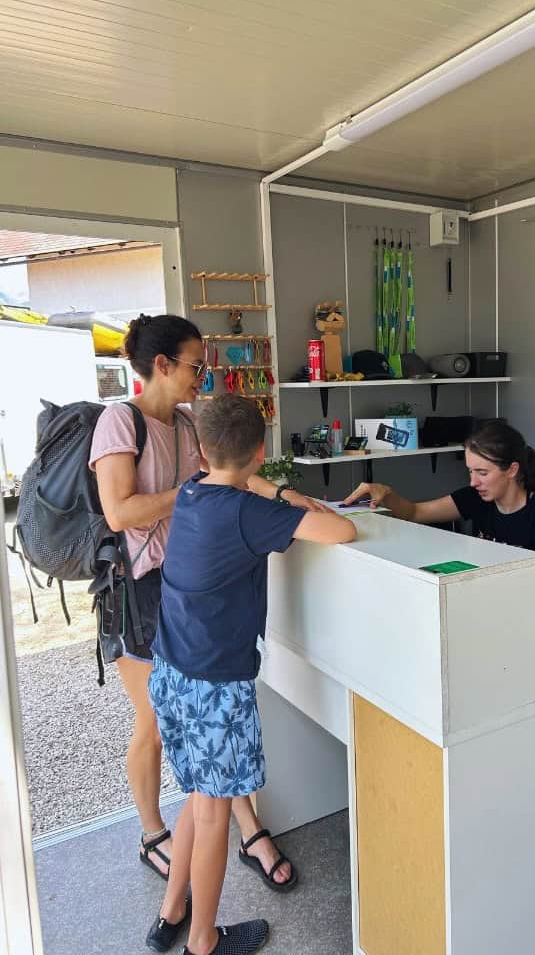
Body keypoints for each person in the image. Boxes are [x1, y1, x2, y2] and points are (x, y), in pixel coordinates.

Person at [90, 313, 325, 890]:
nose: (205, 375)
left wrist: (282, 493)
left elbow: (232, 476)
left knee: (203, 724)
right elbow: (121, 512)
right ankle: (152, 833)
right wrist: (197, 495)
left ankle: (244, 826)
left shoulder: (190, 422)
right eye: (197, 365)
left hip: (182, 584)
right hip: (136, 590)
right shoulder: (119, 422)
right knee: (155, 722)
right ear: (162, 365)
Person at [145, 394, 356, 955]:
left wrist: (256, 484)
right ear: (261, 451)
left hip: (170, 669)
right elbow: (340, 531)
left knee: (197, 796)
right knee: (214, 813)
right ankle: (203, 941)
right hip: (215, 685)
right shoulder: (249, 512)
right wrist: (280, 489)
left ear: (201, 449)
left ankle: (171, 913)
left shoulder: (191, 493)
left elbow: (234, 485)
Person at [343, 418, 535, 633]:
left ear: (512, 470)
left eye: (482, 472)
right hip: (482, 617)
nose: (473, 481)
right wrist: (386, 494)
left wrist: (507, 595)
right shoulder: (475, 498)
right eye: (470, 471)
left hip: (532, 626)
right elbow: (415, 512)